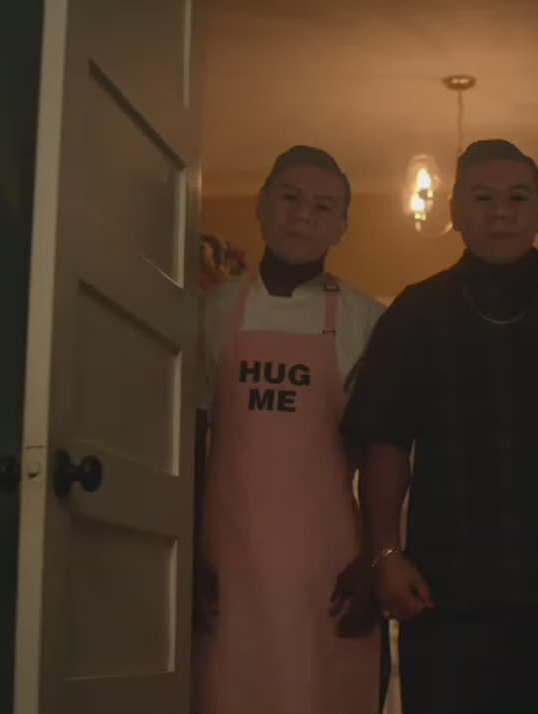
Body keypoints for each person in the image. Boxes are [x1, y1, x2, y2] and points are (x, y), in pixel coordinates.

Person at [342, 139, 538, 713]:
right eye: (482, 198)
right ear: (455, 212)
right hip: (446, 592)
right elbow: (385, 443)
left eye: (517, 198)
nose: (500, 212)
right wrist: (385, 554)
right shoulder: (416, 312)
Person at [193, 146, 386, 714]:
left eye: (323, 206)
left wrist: (374, 559)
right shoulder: (208, 312)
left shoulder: (366, 321)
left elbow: (383, 451)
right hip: (223, 572)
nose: (303, 214)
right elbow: (185, 439)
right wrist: (182, 557)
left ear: (342, 225)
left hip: (327, 575)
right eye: (290, 197)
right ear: (261, 204)